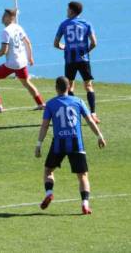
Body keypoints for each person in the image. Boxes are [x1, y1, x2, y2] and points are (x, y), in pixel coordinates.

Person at [35, 76, 106, 215]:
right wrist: (99, 136)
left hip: (58, 143)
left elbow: (44, 126)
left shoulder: (50, 104)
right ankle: (85, 203)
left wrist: (39, 144)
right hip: (76, 142)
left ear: (56, 88)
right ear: (69, 88)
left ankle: (49, 192)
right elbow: (90, 121)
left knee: (49, 170)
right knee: (82, 176)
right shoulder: (78, 101)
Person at [0, 8, 44, 113]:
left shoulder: (6, 31)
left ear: (9, 17)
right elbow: (28, 43)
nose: (2, 18)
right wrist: (30, 57)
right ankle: (41, 104)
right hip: (22, 62)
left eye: (4, 16)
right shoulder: (18, 27)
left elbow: (4, 50)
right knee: (26, 82)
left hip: (12, 64)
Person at [54, 1, 100, 123]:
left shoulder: (64, 24)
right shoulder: (86, 24)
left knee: (70, 86)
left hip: (70, 60)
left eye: (67, 9)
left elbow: (56, 43)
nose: (66, 11)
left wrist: (65, 47)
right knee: (88, 86)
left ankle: (75, 114)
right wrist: (85, 51)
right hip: (83, 60)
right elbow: (94, 43)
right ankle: (93, 114)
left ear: (71, 11)